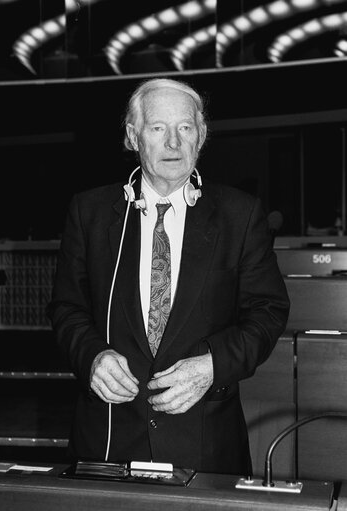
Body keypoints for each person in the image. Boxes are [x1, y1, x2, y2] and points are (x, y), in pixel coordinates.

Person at [48, 77, 290, 475]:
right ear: (133, 136)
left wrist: (213, 364)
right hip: (108, 438)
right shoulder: (88, 212)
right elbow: (66, 308)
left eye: (185, 128)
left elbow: (268, 312)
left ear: (202, 135)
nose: (173, 143)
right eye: (158, 128)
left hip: (206, 441)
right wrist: (91, 356)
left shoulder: (240, 215)